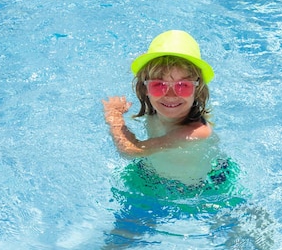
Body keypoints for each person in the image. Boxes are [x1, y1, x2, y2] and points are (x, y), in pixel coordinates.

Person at [102, 30, 239, 201]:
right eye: (159, 85)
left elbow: (132, 150)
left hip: (206, 187)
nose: (171, 94)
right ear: (145, 89)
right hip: (156, 176)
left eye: (183, 86)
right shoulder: (154, 112)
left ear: (198, 89)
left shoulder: (196, 132)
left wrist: (113, 116)